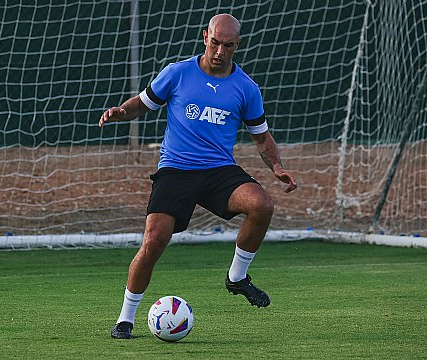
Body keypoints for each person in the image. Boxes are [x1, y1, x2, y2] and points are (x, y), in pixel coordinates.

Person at [99, 13, 297, 339]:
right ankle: (125, 319)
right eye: (216, 42)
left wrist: (277, 168)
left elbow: (261, 137)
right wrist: (123, 112)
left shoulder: (246, 88)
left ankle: (237, 278)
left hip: (219, 170)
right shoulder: (178, 73)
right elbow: (143, 104)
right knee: (153, 241)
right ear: (205, 37)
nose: (220, 51)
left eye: (228, 45)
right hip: (176, 168)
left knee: (261, 205)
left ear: (237, 45)